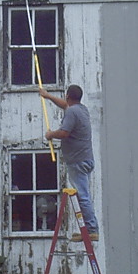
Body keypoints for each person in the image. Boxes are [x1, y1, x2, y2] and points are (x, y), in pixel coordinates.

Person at [40, 85, 99, 241]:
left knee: (83, 196)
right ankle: (88, 230)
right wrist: (48, 96)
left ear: (67, 95)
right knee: (84, 195)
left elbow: (64, 132)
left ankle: (91, 230)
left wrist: (50, 134)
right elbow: (65, 105)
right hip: (86, 159)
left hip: (77, 161)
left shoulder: (72, 112)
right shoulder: (82, 109)